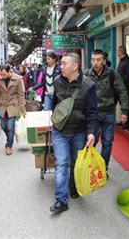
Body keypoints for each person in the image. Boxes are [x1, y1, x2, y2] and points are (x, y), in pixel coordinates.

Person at [50, 52, 99, 213]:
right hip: (60, 131)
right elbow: (55, 104)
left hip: (79, 131)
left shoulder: (88, 85)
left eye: (64, 64)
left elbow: (92, 112)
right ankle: (61, 200)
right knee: (62, 163)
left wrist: (91, 132)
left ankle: (73, 186)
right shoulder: (57, 81)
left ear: (75, 66)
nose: (61, 66)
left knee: (76, 164)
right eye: (61, 63)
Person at [85, 49, 129, 175]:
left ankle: (102, 169)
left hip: (108, 113)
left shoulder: (112, 74)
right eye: (93, 60)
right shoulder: (86, 75)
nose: (95, 63)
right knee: (90, 142)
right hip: (92, 115)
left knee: (107, 141)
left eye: (98, 60)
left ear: (104, 61)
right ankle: (89, 168)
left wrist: (124, 111)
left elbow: (122, 91)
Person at [0, 64, 26, 155]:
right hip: (2, 106)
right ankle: (10, 137)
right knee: (3, 126)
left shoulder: (18, 79)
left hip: (13, 105)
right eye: (1, 74)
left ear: (9, 71)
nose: (2, 76)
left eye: (4, 74)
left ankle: (8, 145)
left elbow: (21, 94)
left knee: (10, 126)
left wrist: (22, 108)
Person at [117, 45, 129, 129]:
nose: (117, 52)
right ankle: (123, 120)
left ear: (121, 51)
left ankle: (128, 123)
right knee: (122, 104)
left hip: (126, 87)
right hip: (120, 87)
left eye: (118, 51)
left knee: (127, 104)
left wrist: (120, 82)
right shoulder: (121, 61)